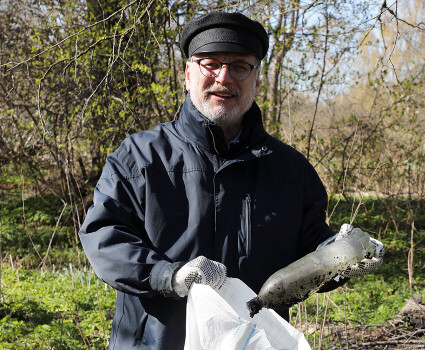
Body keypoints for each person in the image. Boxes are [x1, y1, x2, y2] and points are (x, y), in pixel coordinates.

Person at [79, 11, 385, 349]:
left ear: (255, 80)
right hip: (154, 343)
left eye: (240, 66)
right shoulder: (139, 158)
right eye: (210, 63)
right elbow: (104, 237)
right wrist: (169, 276)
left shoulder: (290, 170)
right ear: (187, 74)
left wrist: (341, 257)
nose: (224, 78)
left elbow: (309, 251)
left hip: (253, 341)